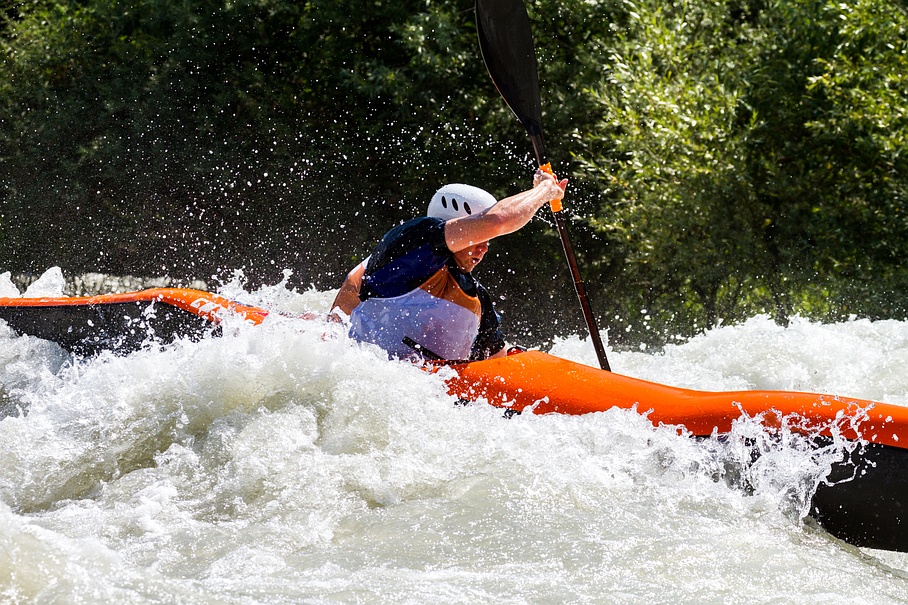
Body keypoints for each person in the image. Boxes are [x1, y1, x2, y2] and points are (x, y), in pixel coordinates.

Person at [330, 170, 567, 361]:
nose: (483, 248)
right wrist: (545, 190)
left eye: (487, 242)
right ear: (453, 226)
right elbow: (499, 220)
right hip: (359, 373)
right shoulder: (410, 244)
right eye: (477, 238)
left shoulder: (476, 297)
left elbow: (497, 359)